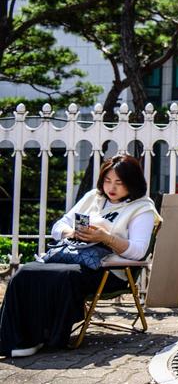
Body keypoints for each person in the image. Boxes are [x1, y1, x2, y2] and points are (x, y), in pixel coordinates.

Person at [0, 153, 160, 358]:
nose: (111, 188)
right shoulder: (94, 197)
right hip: (75, 256)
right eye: (107, 181)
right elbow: (59, 226)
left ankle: (45, 335)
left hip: (109, 271)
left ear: (133, 183)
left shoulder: (142, 208)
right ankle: (14, 337)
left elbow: (138, 252)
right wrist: (74, 233)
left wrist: (105, 238)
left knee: (65, 277)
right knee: (26, 272)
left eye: (119, 182)